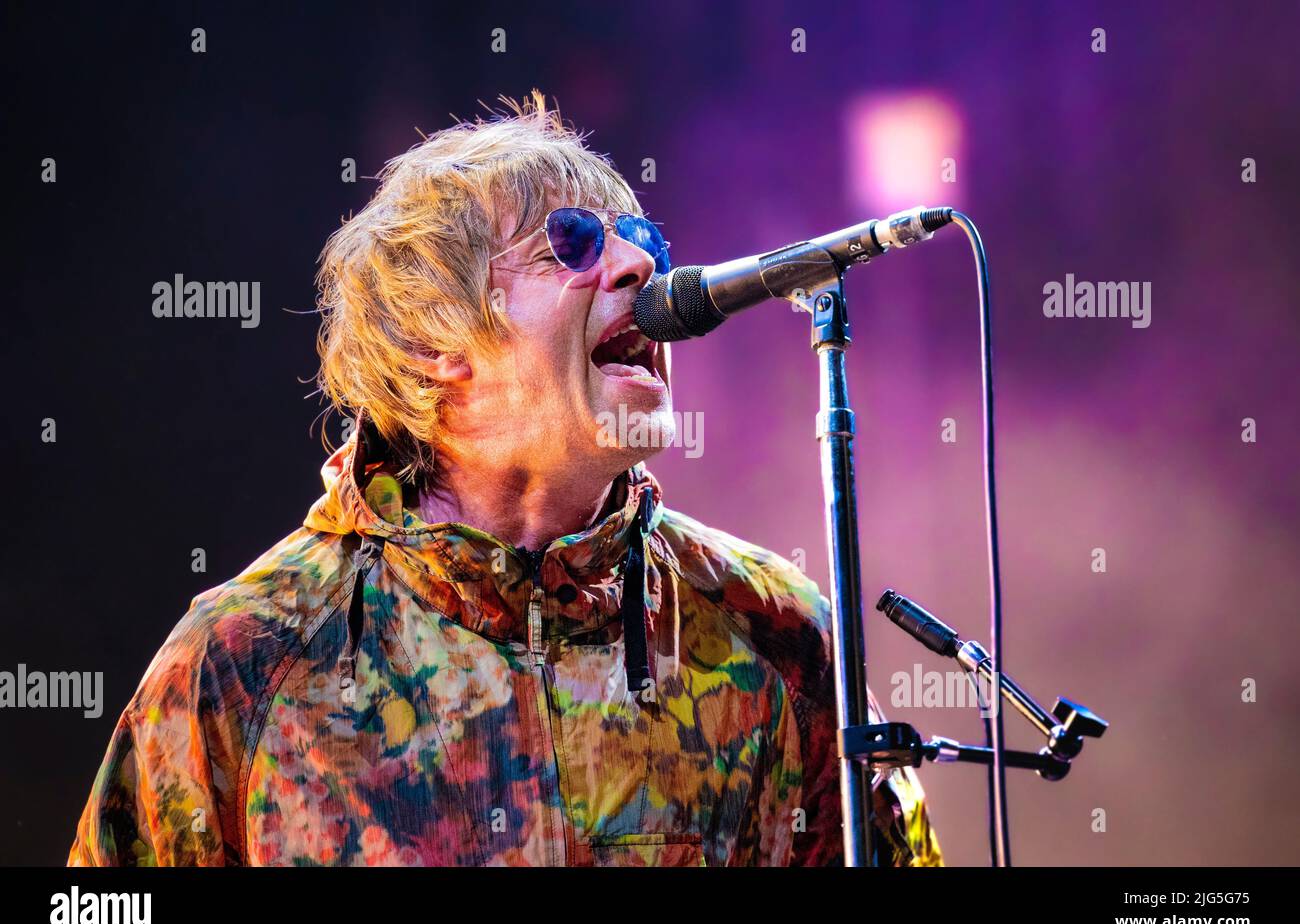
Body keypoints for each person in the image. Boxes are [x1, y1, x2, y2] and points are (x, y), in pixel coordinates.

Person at [68, 91, 942, 866]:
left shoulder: (778, 634)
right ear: (431, 346)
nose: (642, 271)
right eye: (572, 245)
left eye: (643, 243)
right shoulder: (245, 662)